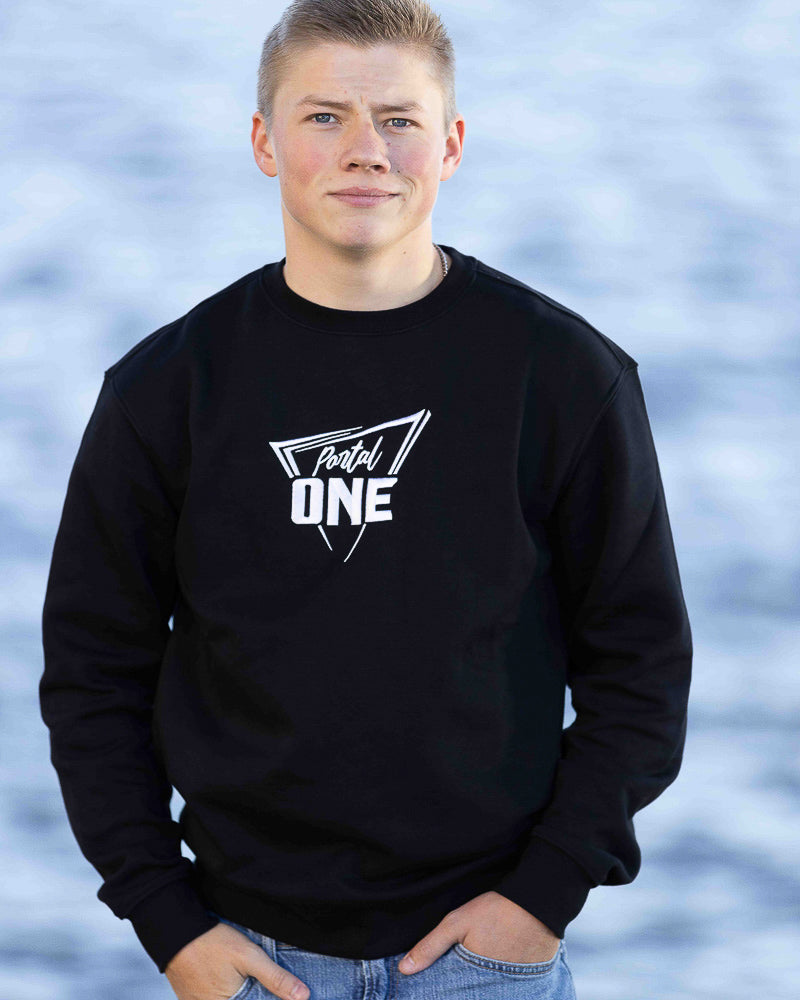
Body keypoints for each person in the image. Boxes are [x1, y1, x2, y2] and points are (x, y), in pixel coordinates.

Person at [39, 1, 693, 998]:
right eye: (323, 116)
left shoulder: (563, 376)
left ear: (451, 143)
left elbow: (642, 665)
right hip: (251, 958)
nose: (365, 151)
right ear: (263, 141)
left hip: (487, 961)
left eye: (397, 119)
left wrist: (541, 897)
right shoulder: (166, 390)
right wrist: (166, 920)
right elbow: (93, 674)